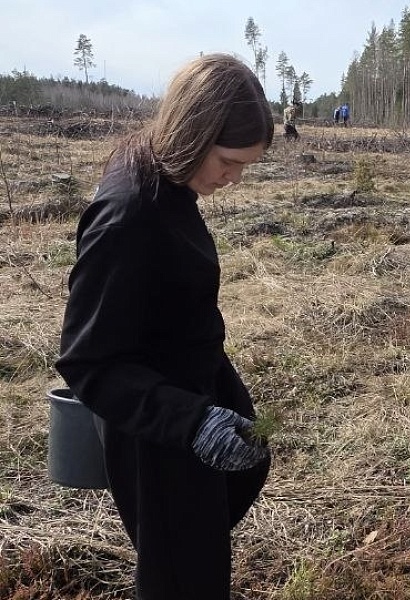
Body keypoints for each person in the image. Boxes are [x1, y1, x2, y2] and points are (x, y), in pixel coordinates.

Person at [55, 53, 273, 599]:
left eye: (245, 166)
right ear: (194, 132)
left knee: (197, 549)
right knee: (180, 577)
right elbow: (90, 362)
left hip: (189, 396)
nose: (235, 179)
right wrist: (192, 421)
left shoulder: (170, 181)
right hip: (157, 431)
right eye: (229, 161)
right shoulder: (128, 215)